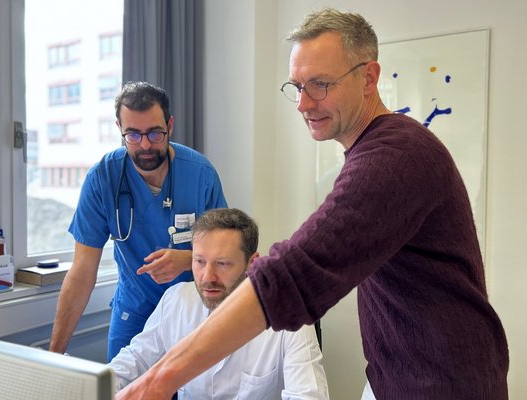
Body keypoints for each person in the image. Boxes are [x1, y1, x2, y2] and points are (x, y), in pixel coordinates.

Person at [119, 8, 509, 400]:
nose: (303, 104)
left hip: (444, 385)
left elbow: (295, 274)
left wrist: (158, 380)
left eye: (320, 85)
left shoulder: (395, 156)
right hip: (396, 375)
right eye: (297, 87)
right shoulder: (372, 150)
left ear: (369, 78)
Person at [49, 81, 228, 361]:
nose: (145, 145)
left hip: (193, 310)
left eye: (155, 133)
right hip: (134, 312)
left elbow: (227, 254)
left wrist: (186, 260)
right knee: (123, 383)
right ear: (119, 129)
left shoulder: (200, 174)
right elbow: (82, 272)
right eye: (133, 135)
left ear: (170, 125)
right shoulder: (103, 179)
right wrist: (54, 356)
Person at [109, 208, 329, 399]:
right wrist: (97, 388)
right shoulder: (175, 301)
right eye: (199, 261)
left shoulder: (289, 319)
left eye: (222, 264)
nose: (207, 277)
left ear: (252, 263)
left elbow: (307, 395)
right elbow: (134, 361)